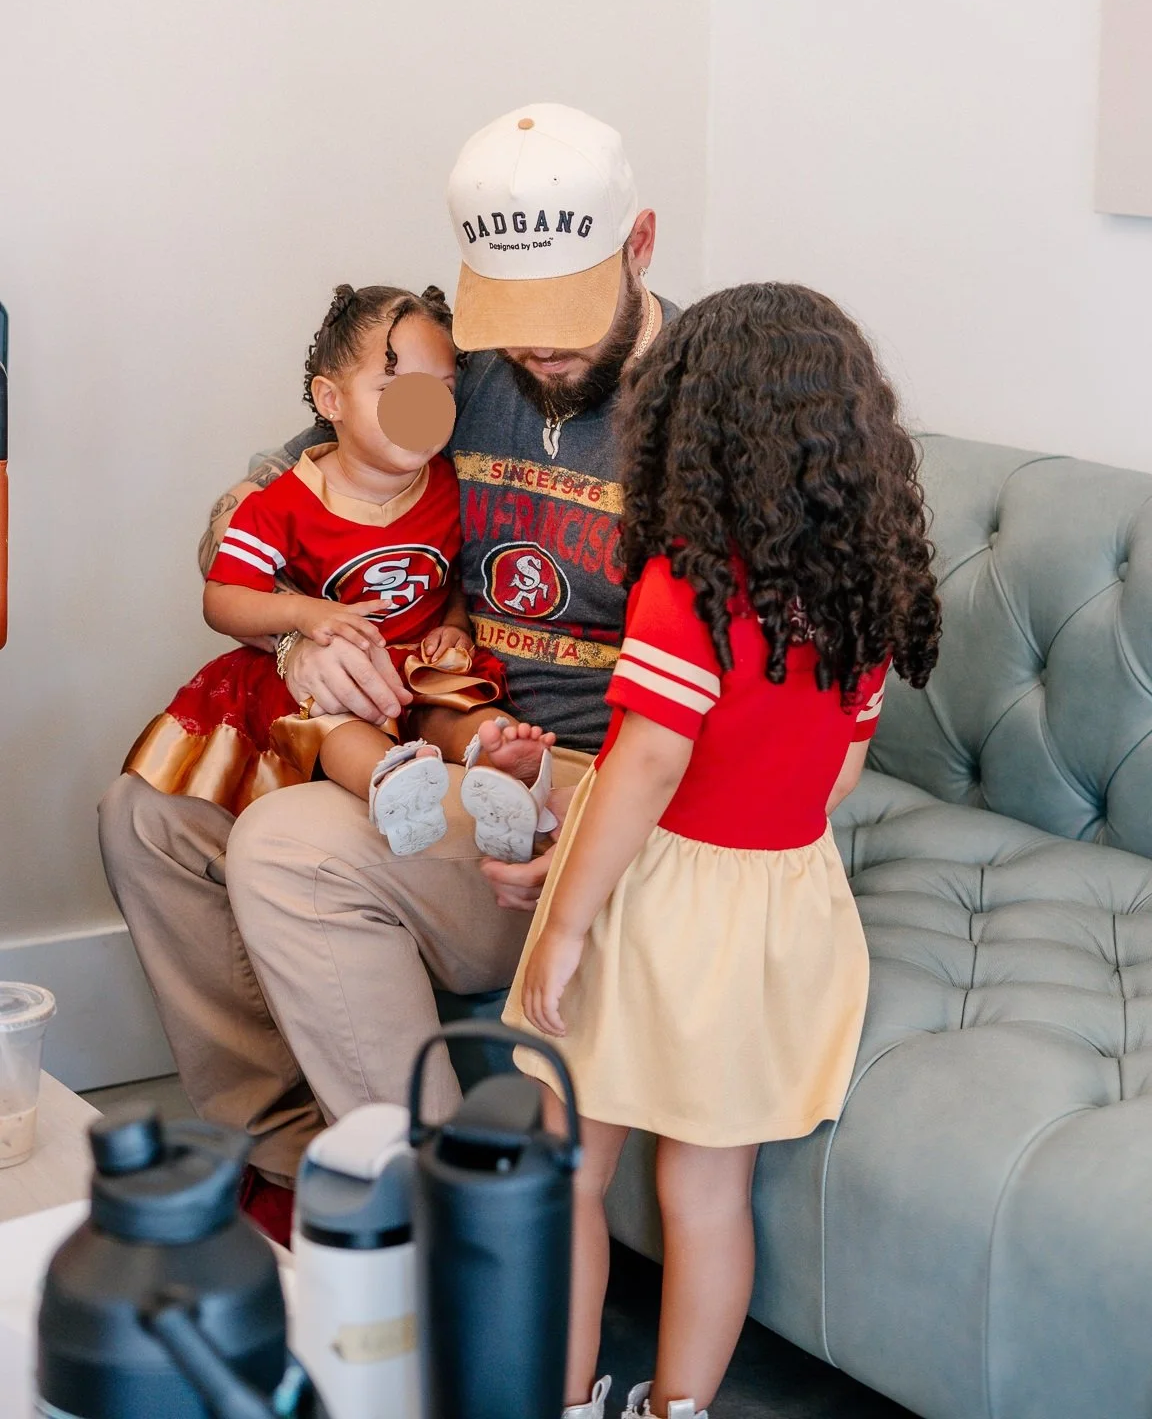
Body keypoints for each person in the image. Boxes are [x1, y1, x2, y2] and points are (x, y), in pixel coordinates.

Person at [97, 103, 672, 1242]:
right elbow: (268, 500)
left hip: (596, 784)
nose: (536, 347)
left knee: (287, 846)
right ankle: (292, 1152)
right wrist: (297, 631)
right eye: (512, 313)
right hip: (454, 734)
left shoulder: (703, 407)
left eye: (564, 308)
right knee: (146, 815)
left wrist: (598, 818)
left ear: (641, 244)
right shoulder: (464, 366)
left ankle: (437, 1232)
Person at [504, 283, 942, 1419]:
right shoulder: (861, 590)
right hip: (780, 905)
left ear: (690, 425)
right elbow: (838, 774)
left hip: (663, 906)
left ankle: (562, 1396)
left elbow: (644, 770)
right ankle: (680, 1406)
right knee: (709, 1193)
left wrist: (566, 921)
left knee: (572, 1173)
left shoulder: (688, 581)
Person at [122, 279, 549, 854]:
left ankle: (500, 763)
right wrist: (302, 614)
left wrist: (456, 622)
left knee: (462, 705)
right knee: (337, 725)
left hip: (416, 664)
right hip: (335, 677)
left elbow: (452, 576)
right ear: (331, 401)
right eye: (394, 389)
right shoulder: (283, 503)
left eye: (441, 390)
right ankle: (396, 784)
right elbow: (221, 597)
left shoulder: (449, 485)